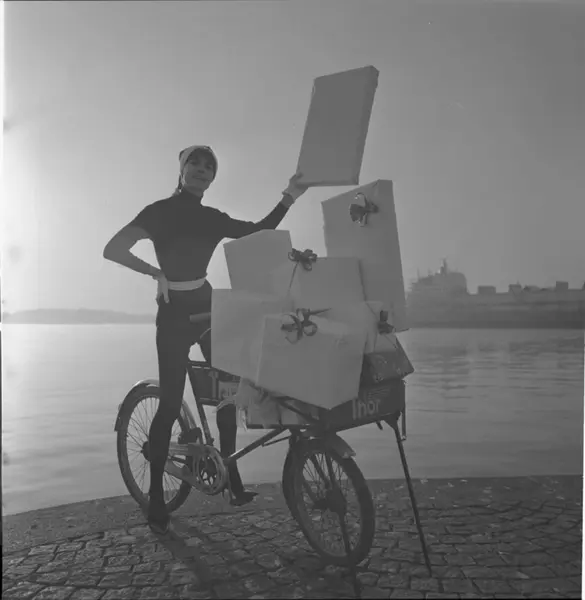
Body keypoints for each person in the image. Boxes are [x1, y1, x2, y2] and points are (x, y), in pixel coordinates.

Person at [103, 145, 308, 533]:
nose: (201, 169)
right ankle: (157, 498)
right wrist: (155, 273)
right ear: (182, 170)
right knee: (169, 403)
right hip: (173, 315)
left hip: (208, 307)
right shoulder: (159, 212)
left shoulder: (212, 218)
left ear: (213, 178)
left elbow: (259, 230)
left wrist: (291, 194)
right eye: (194, 163)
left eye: (209, 166)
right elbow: (113, 248)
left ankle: (231, 475)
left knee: (229, 391)